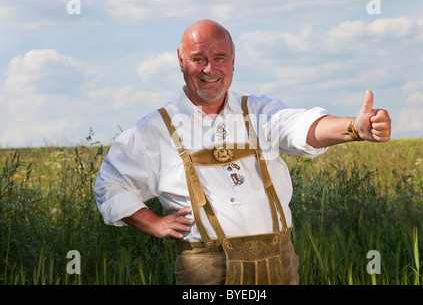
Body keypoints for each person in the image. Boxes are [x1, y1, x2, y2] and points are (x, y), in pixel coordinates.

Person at [93, 19, 391, 285]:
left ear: (233, 61)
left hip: (280, 264)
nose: (210, 69)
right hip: (206, 271)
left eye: (219, 58)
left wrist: (354, 128)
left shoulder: (258, 111)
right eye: (199, 59)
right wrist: (153, 222)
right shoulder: (155, 129)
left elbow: (299, 126)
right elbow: (109, 185)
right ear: (181, 61)